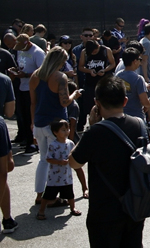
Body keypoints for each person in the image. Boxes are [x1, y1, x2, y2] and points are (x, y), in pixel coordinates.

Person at [69, 76, 146, 247]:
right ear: (125, 101)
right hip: (135, 205)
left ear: (97, 102)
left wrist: (90, 127)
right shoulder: (139, 125)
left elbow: (74, 163)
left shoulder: (94, 133)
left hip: (104, 211)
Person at [29, 46, 84, 204]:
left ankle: (40, 194)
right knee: (59, 161)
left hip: (39, 123)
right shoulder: (60, 77)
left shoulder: (35, 76)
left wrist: (32, 123)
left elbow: (32, 103)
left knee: (43, 160)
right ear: (59, 61)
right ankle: (53, 196)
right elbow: (64, 102)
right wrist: (75, 94)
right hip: (56, 125)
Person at [36, 119, 81, 220]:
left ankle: (73, 208)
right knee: (47, 195)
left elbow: (74, 155)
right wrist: (59, 162)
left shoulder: (70, 143)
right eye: (63, 130)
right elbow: (48, 158)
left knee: (70, 194)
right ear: (55, 132)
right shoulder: (53, 145)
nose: (66, 132)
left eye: (67, 129)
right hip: (54, 177)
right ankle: (41, 211)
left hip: (66, 176)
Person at [9, 34, 46, 154]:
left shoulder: (37, 52)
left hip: (34, 88)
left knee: (31, 116)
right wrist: (16, 71)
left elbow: (42, 72)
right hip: (22, 87)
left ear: (28, 43)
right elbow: (22, 65)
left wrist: (25, 75)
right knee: (23, 115)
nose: (19, 49)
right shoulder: (21, 50)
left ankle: (34, 143)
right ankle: (27, 139)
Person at [78, 39, 115, 131]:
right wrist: (89, 71)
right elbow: (81, 67)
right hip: (90, 83)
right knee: (90, 106)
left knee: (105, 104)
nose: (93, 53)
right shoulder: (84, 52)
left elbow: (112, 63)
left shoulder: (106, 50)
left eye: (95, 51)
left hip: (103, 82)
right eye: (92, 52)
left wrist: (105, 70)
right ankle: (93, 126)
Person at [115, 47, 150, 126]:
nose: (140, 62)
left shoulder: (117, 75)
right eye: (139, 59)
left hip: (120, 115)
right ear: (134, 61)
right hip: (136, 117)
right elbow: (144, 100)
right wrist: (147, 105)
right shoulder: (138, 79)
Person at [0, 72, 18, 234]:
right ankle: (7, 220)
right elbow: (10, 112)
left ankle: (8, 219)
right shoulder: (4, 80)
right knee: (2, 175)